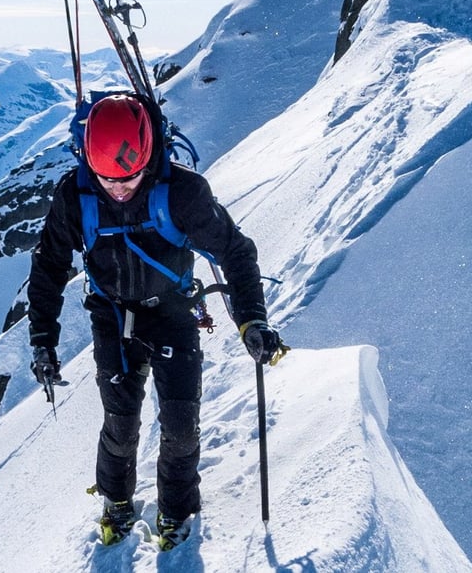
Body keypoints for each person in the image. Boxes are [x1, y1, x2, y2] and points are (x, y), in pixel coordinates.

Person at [27, 93, 285, 549]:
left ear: (149, 157)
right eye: (107, 179)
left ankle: (176, 512)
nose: (119, 189)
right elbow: (49, 266)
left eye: (128, 178)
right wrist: (43, 340)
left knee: (181, 423)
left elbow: (236, 252)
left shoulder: (182, 193)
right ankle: (116, 503)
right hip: (111, 314)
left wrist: (253, 322)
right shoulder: (76, 195)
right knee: (120, 422)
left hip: (172, 313)